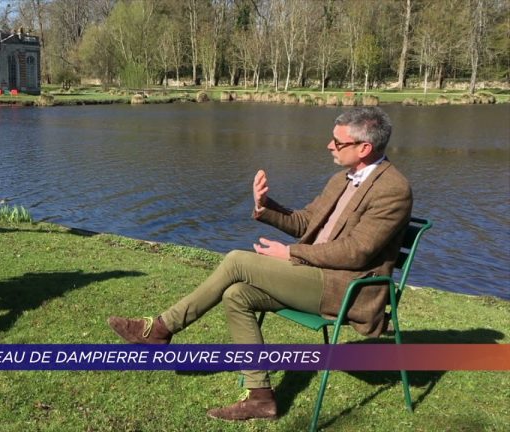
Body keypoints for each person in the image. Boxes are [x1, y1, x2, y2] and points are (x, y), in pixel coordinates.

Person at [108, 107, 412, 421]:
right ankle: (261, 398)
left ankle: (158, 329)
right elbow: (306, 221)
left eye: (337, 142)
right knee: (236, 294)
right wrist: (266, 206)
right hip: (313, 276)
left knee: (237, 260)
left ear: (365, 148)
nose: (329, 146)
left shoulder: (393, 189)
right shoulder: (343, 179)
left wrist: (292, 254)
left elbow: (356, 253)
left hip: (348, 290)